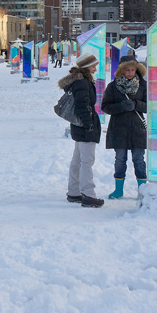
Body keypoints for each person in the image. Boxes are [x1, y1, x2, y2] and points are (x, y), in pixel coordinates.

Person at [58, 52, 104, 208]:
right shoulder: (83, 83)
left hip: (80, 126)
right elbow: (83, 107)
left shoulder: (80, 82)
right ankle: (88, 195)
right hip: (85, 127)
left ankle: (74, 192)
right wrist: (89, 125)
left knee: (78, 160)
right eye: (93, 66)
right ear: (86, 67)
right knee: (87, 162)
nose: (95, 68)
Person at [101, 56, 148, 198]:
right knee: (120, 160)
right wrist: (121, 106)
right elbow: (105, 107)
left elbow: (150, 106)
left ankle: (142, 191)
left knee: (139, 160)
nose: (130, 72)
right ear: (121, 70)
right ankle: (118, 190)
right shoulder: (113, 86)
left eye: (132, 69)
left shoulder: (143, 85)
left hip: (137, 128)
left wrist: (136, 105)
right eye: (127, 70)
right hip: (119, 128)